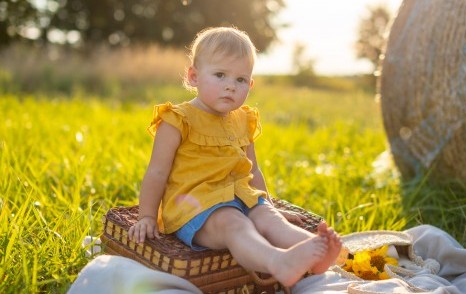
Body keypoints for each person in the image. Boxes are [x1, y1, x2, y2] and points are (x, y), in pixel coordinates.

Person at [128, 26, 342, 287]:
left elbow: (253, 170)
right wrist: (147, 216)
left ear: (250, 84)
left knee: (268, 219)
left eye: (240, 80)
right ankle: (278, 262)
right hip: (196, 205)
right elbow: (157, 172)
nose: (230, 86)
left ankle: (316, 250)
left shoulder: (244, 120)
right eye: (220, 75)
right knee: (235, 224)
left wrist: (269, 204)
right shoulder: (178, 120)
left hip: (241, 195)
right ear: (194, 76)